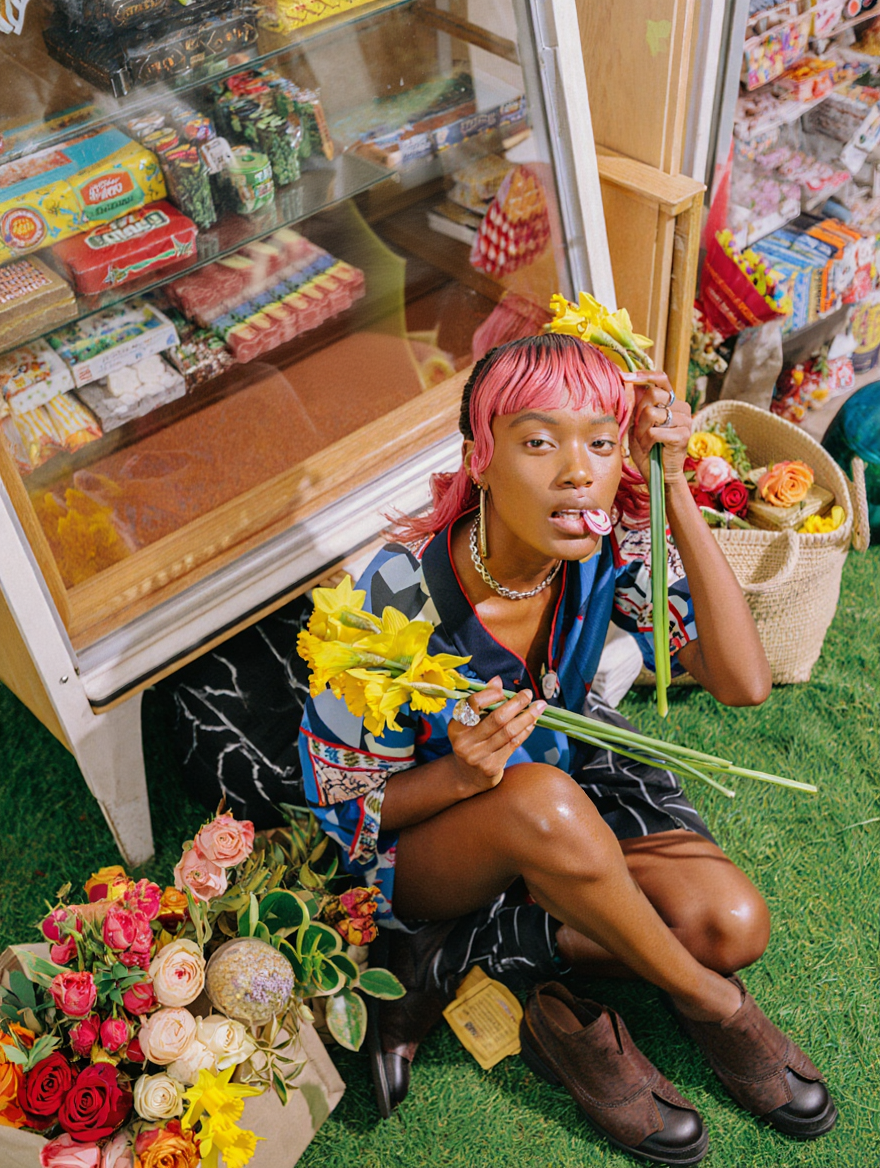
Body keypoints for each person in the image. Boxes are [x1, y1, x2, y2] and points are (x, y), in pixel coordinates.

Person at [298, 334, 836, 1164]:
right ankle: (713, 1005)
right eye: (540, 442)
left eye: (602, 442)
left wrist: (673, 486)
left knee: (732, 925)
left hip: (566, 791)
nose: (578, 471)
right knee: (542, 801)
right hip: (429, 849)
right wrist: (462, 774)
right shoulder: (394, 598)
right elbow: (343, 814)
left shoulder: (609, 543)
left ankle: (467, 955)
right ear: (479, 460)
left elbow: (742, 682)